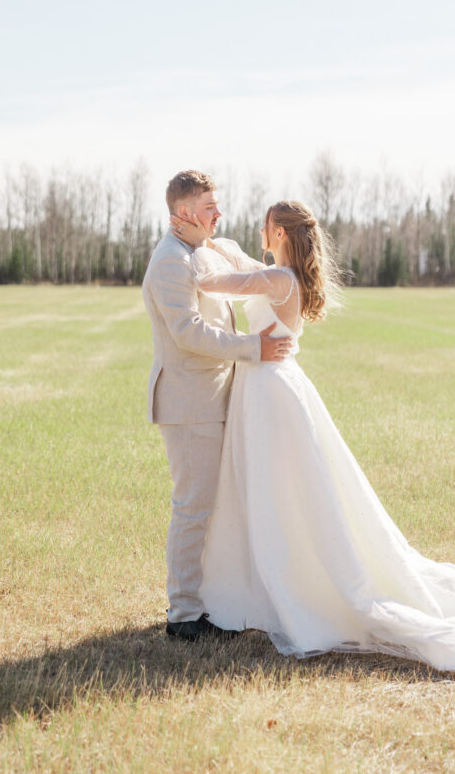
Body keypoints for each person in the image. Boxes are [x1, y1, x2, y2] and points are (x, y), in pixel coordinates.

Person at [175, 199, 455, 671]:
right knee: (277, 488)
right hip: (270, 384)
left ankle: (289, 580)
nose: (259, 231)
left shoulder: (278, 279)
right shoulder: (281, 274)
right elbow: (240, 268)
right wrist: (211, 240)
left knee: (282, 490)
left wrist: (193, 243)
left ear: (278, 232)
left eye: (264, 225)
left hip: (270, 389)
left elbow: (213, 282)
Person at [141, 170, 292, 641]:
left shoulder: (208, 249)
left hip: (219, 396)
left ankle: (213, 601)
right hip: (189, 404)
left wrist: (291, 258)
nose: (219, 214)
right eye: (210, 207)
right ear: (183, 212)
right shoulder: (170, 261)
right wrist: (253, 347)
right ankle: (183, 616)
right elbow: (187, 333)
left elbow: (254, 273)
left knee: (214, 505)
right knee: (192, 507)